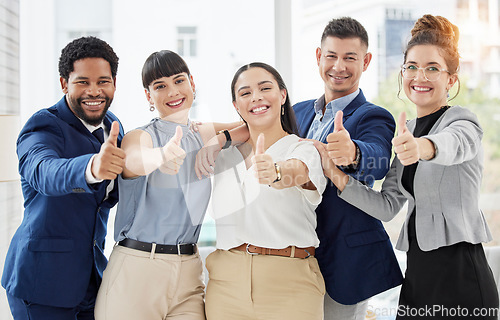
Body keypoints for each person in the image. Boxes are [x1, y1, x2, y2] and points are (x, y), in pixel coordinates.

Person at [323, 14, 499, 319]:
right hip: (418, 273)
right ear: (403, 73)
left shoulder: (462, 120)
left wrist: (422, 147)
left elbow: (454, 145)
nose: (421, 76)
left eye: (433, 68)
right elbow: (388, 205)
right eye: (412, 67)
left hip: (462, 275)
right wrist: (337, 177)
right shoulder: (407, 132)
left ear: (451, 79)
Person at [94, 50, 245, 320]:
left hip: (189, 272)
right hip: (136, 270)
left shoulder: (202, 133)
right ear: (148, 96)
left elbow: (255, 124)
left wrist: (219, 139)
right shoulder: (140, 136)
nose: (173, 91)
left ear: (192, 83)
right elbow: (134, 160)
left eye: (179, 81)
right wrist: (161, 157)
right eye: (160, 86)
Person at [2, 36, 124, 320]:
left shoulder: (113, 127)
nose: (94, 91)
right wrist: (92, 167)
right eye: (83, 82)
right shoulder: (44, 125)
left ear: (114, 84)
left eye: (103, 81)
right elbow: (43, 171)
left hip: (92, 279)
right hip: (42, 283)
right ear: (64, 83)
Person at [293, 17, 403, 319]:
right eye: (331, 56)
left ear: (366, 61)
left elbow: (379, 157)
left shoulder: (373, 117)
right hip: (296, 257)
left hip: (344, 259)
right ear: (319, 57)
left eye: (349, 58)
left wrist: (353, 152)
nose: (339, 66)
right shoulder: (297, 112)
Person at [204, 62, 327, 320]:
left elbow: (298, 171)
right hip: (226, 283)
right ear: (236, 106)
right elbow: (185, 129)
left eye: (265, 88)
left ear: (283, 95)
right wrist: (223, 138)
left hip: (289, 284)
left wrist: (276, 173)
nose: (256, 97)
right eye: (245, 93)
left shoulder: (304, 149)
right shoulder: (223, 154)